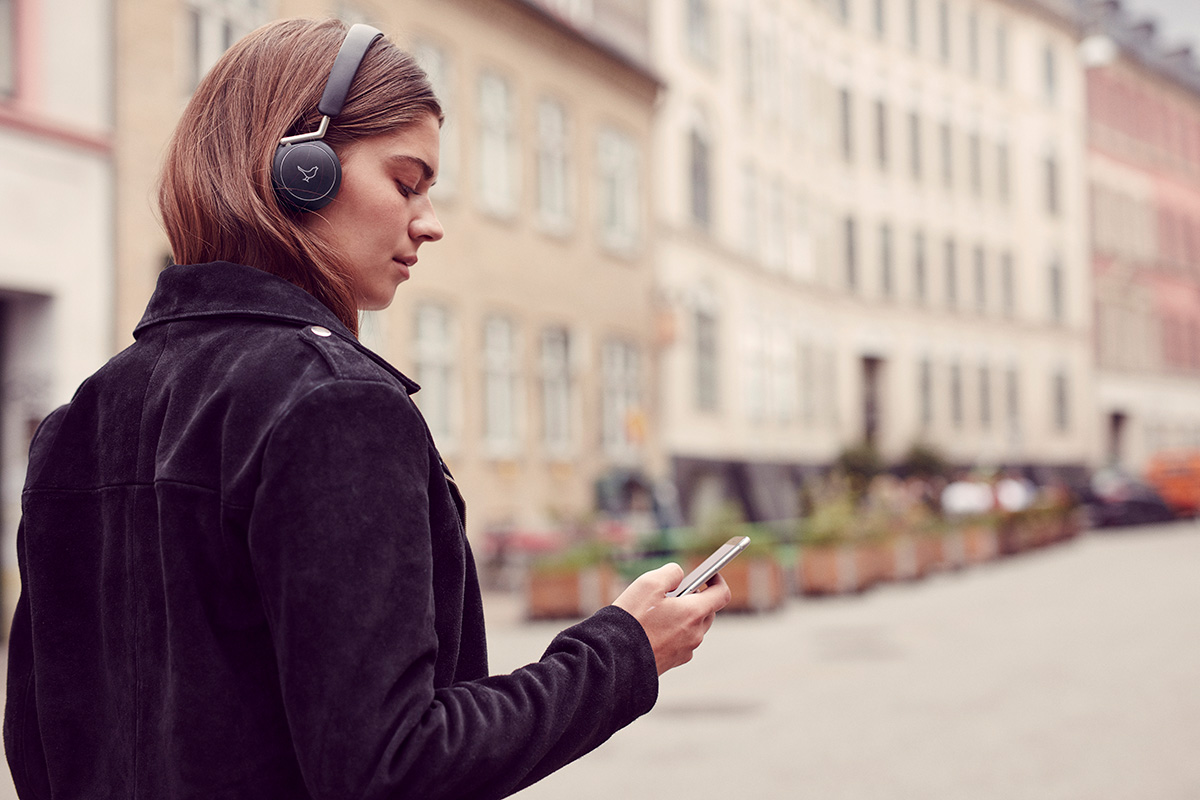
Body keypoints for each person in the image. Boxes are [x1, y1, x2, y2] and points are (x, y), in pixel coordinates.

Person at [3, 19, 730, 800]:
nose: (429, 220)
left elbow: (36, 745)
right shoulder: (333, 403)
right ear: (299, 169)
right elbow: (394, 766)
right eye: (406, 181)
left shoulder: (79, 419)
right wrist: (622, 655)